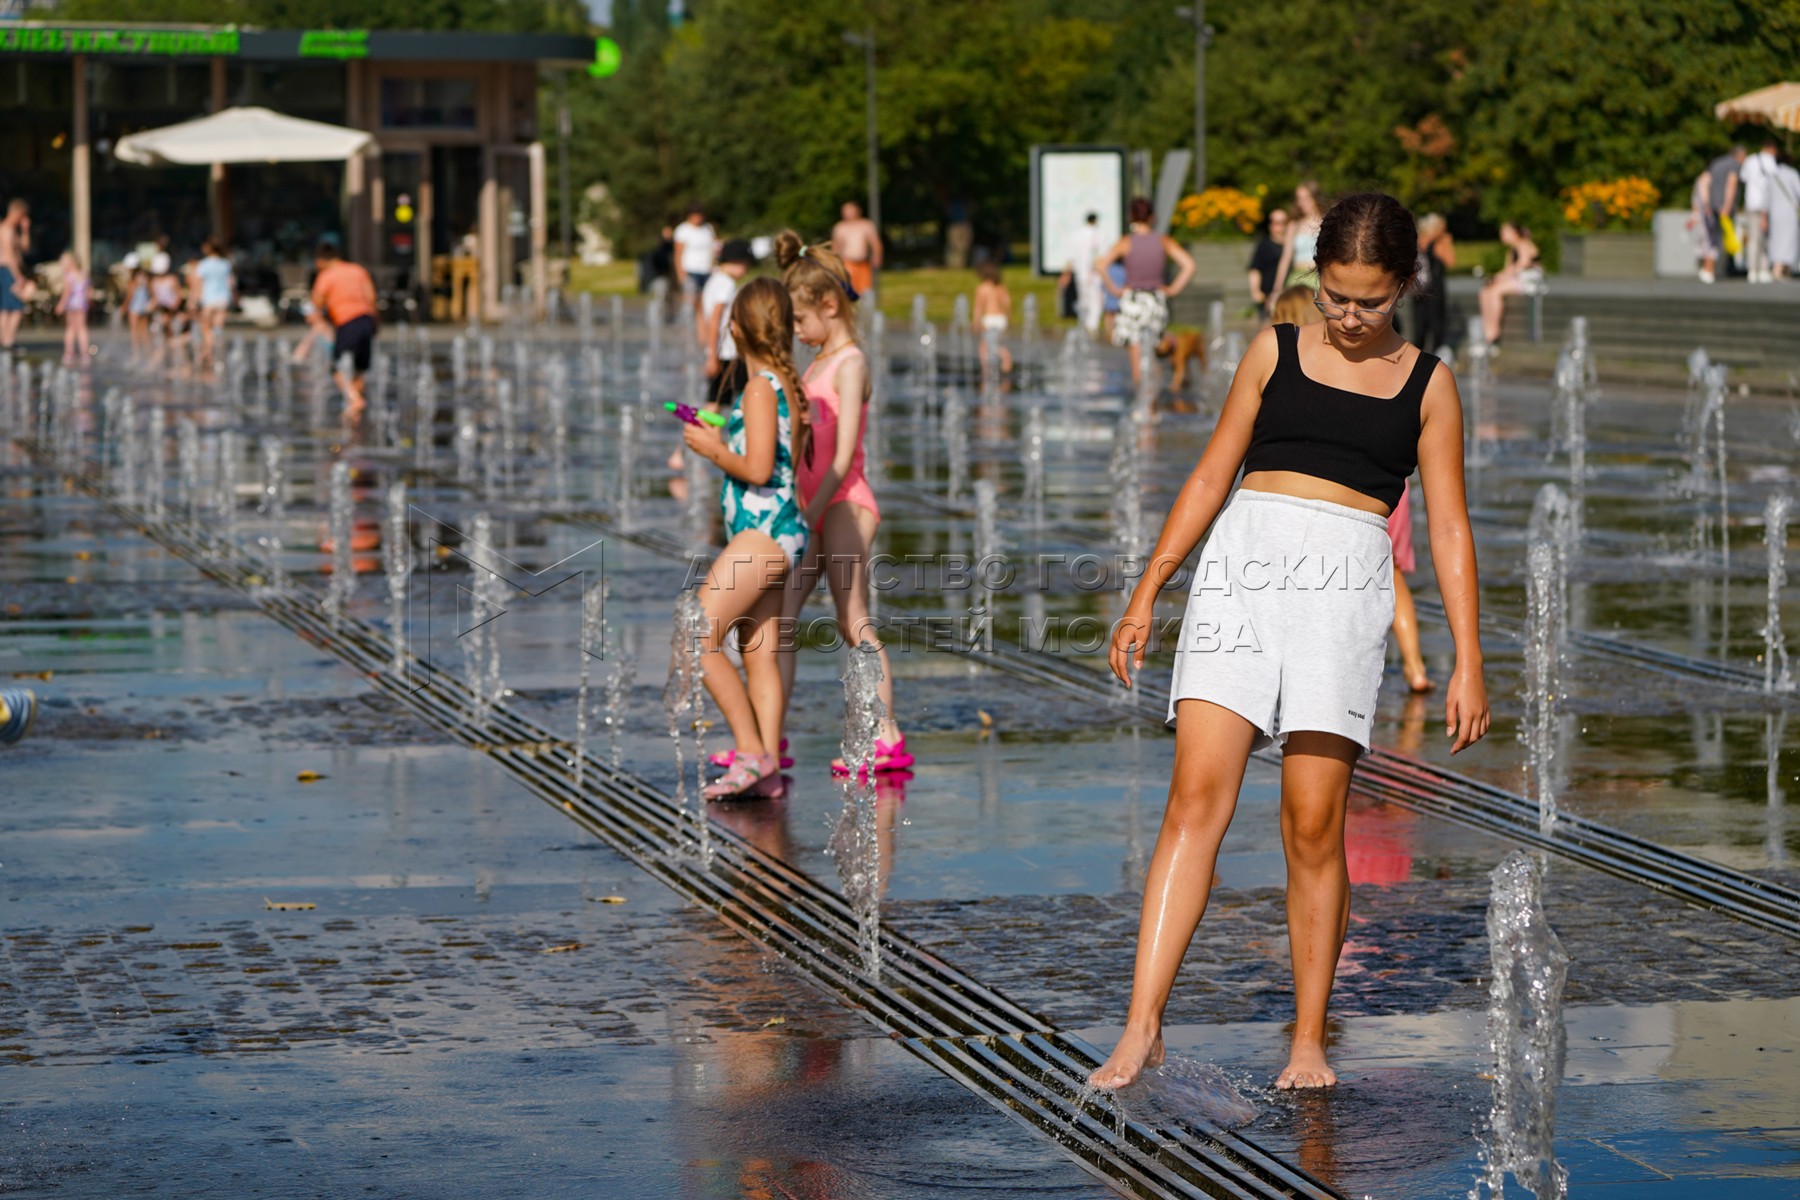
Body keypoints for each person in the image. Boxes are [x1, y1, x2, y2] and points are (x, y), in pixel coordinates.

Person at [1088, 191, 1488, 1092]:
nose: (1347, 318)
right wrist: (1149, 588)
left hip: (1345, 590)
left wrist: (1467, 654)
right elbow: (1208, 472)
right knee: (1195, 799)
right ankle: (1141, 1026)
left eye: (1369, 302)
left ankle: (1309, 1038)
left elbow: (1453, 529)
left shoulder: (1431, 385)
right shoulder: (1273, 349)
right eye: (1333, 296)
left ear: (1405, 287)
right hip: (1243, 565)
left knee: (1313, 824)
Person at [772, 232, 911, 777]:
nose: (798, 334)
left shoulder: (849, 362)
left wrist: (813, 511)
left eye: (801, 322)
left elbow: (847, 447)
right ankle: (768, 737)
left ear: (830, 307)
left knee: (853, 618)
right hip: (814, 508)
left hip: (847, 505)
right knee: (781, 618)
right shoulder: (818, 362)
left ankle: (885, 735)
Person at [681, 277, 812, 799]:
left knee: (698, 633)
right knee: (756, 650)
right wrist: (721, 430)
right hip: (778, 531)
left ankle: (752, 753)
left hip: (764, 532)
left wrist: (712, 449)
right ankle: (767, 769)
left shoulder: (759, 388)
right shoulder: (780, 382)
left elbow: (758, 468)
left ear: (736, 329)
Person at [1099, 196, 1197, 390]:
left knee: (1137, 358)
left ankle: (1146, 409)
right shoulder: (1163, 241)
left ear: (1131, 217)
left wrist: (1115, 289)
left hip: (1133, 300)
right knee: (1150, 355)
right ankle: (1152, 405)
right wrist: (1172, 289)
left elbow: (1101, 265)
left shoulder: (1126, 242)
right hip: (1155, 301)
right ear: (1152, 216)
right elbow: (1189, 265)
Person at [309, 239, 378, 423]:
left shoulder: (327, 275)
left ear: (321, 260)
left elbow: (316, 302)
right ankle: (356, 415)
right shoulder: (358, 270)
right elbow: (371, 298)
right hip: (366, 319)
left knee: (337, 368)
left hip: (347, 322)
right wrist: (375, 324)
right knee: (359, 369)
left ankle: (355, 401)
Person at [700, 239, 755, 406]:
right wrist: (712, 356)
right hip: (728, 352)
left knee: (715, 400)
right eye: (746, 265)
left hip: (719, 350)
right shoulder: (726, 284)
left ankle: (707, 430)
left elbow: (707, 318)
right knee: (750, 394)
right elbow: (716, 318)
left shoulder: (714, 280)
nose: (746, 271)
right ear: (736, 262)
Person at [1477, 222, 1540, 350]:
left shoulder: (1524, 244)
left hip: (1528, 282)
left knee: (1495, 291)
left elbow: (1522, 265)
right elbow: (1509, 269)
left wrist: (1498, 278)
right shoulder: (1512, 249)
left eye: (1505, 232)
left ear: (1514, 232)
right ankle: (1488, 330)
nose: (1502, 235)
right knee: (1485, 292)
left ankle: (1494, 333)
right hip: (1517, 279)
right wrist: (1495, 278)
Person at [1057, 211, 1110, 336]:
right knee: (1096, 299)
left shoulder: (1077, 235)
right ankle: (1092, 325)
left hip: (1082, 273)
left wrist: (1066, 273)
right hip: (1096, 274)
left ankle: (1085, 323)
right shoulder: (1101, 235)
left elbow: (1071, 257)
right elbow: (1105, 256)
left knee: (1083, 299)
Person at [1698, 146, 1745, 284]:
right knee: (1721, 238)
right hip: (1723, 207)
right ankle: (1713, 270)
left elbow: (1703, 181)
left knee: (1711, 237)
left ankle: (1708, 270)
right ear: (1740, 155)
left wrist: (1706, 202)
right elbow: (1732, 183)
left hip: (1711, 206)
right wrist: (1727, 205)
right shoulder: (1733, 165)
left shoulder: (1716, 163)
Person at [1412, 213, 1455, 355]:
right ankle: (1428, 355)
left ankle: (1422, 356)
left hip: (1420, 287)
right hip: (1431, 288)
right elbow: (1451, 261)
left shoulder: (1420, 240)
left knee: (1423, 324)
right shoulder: (1437, 241)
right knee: (1430, 324)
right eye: (1442, 226)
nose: (1444, 229)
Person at [1272, 182, 1325, 292]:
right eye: (1299, 198)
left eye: (1306, 198)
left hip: (1319, 280)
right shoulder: (1294, 225)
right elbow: (1285, 259)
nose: (1302, 202)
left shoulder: (1326, 223)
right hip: (1297, 279)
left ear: (1315, 197)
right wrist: (1276, 289)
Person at [1741, 138, 1780, 284]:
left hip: (1750, 204)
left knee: (1753, 239)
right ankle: (1763, 269)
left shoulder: (1750, 160)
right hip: (1765, 205)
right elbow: (1771, 186)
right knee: (1764, 239)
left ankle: (1752, 270)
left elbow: (1744, 178)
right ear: (1771, 149)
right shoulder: (1770, 161)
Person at [194, 240, 236, 369]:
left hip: (209, 299)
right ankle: (219, 358)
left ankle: (208, 353)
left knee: (206, 329)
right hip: (223, 298)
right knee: (218, 329)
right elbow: (231, 282)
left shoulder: (204, 264)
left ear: (209, 248)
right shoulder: (225, 263)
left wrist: (195, 299)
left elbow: (198, 283)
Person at [831, 201, 883, 300]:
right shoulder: (840, 227)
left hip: (863, 263)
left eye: (850, 210)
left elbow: (876, 243)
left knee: (866, 291)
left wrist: (877, 257)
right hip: (847, 263)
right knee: (848, 290)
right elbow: (836, 247)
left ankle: (866, 312)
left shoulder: (866, 225)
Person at [972, 259, 1014, 379]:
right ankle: (1006, 365)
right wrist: (1008, 319)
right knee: (997, 343)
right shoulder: (1000, 287)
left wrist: (976, 322)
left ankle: (986, 370)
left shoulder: (982, 288)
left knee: (984, 345)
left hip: (989, 319)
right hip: (1000, 319)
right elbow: (1007, 304)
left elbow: (978, 307)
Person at [674, 205, 717, 318]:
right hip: (690, 270)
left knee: (706, 303)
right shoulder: (683, 230)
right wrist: (681, 275)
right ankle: (692, 330)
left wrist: (714, 266)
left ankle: (703, 333)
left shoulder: (708, 228)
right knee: (693, 302)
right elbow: (678, 254)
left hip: (707, 270)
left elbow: (713, 249)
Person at [0, 199, 31, 351]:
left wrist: (25, 230)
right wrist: (18, 276)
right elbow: (9, 255)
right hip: (7, 270)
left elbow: (25, 248)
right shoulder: (6, 229)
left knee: (9, 308)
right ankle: (7, 342)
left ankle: (7, 341)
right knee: (13, 308)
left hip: (9, 271)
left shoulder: (13, 230)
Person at [1247, 208, 1289, 315]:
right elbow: (1255, 269)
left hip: (1290, 295)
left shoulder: (1292, 245)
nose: (1281, 228)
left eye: (1283, 223)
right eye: (1277, 223)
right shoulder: (1264, 246)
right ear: (1270, 226)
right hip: (1268, 297)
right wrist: (1255, 291)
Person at [55, 251, 91, 365]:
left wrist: (61, 304)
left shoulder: (68, 276)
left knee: (70, 328)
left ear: (71, 264)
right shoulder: (82, 274)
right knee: (82, 329)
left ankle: (69, 353)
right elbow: (89, 292)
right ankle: (85, 354)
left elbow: (67, 292)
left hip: (71, 304)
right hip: (81, 304)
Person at [1771, 153, 1800, 281]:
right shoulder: (1792, 174)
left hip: (1774, 212)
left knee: (1777, 239)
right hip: (1789, 212)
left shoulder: (1772, 175)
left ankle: (1781, 269)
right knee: (1789, 240)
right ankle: (1780, 268)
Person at [125, 262, 152, 359]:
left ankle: (136, 354)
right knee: (144, 332)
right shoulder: (145, 280)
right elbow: (150, 293)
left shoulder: (133, 282)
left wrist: (124, 306)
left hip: (134, 308)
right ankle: (147, 353)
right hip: (143, 307)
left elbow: (130, 296)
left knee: (134, 332)